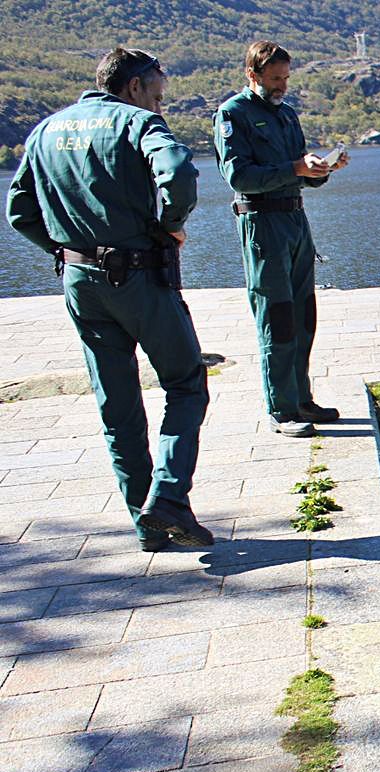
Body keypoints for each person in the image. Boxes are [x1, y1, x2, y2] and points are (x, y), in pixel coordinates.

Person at [6, 47, 213, 551]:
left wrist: (64, 247)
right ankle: (167, 497)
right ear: (136, 86)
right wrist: (171, 225)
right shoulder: (138, 124)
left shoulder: (45, 131)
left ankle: (147, 528)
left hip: (80, 281)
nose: (160, 106)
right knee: (186, 384)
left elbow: (19, 212)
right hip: (141, 277)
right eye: (158, 96)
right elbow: (181, 175)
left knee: (117, 406)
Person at [213, 40, 348, 438]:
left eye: (286, 78)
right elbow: (238, 177)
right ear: (252, 75)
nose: (282, 86)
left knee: (304, 315)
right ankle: (282, 409)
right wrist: (294, 167)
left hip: (295, 221)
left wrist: (324, 169)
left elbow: (302, 171)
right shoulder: (232, 114)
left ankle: (302, 398)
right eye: (274, 79)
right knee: (277, 318)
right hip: (262, 225)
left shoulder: (287, 115)